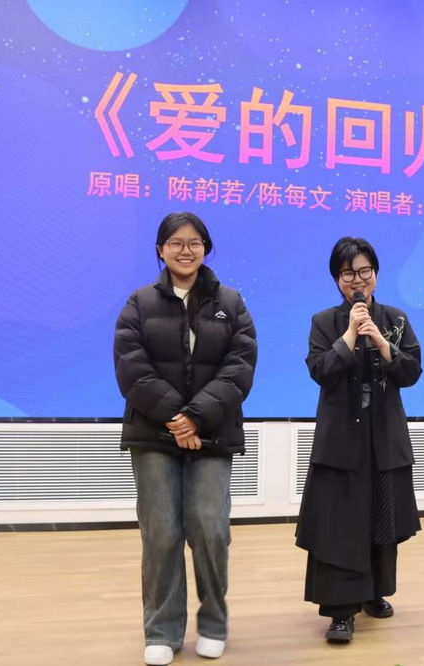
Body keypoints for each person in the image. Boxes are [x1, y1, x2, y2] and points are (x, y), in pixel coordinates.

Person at [114, 212, 257, 666]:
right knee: (161, 532)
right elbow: (131, 368)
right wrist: (177, 418)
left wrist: (196, 418)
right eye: (175, 242)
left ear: (205, 249)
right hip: (153, 434)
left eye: (194, 242)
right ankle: (162, 629)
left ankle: (213, 624)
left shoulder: (231, 302)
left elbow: (240, 367)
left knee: (210, 529)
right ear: (160, 250)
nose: (185, 250)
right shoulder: (139, 302)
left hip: (212, 433)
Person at [295, 236, 423, 644]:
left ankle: (373, 592)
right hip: (340, 440)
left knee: (380, 517)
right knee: (339, 525)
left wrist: (383, 343)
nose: (357, 280)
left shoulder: (395, 319)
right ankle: (340, 611)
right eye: (348, 273)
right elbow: (321, 371)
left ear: (376, 274)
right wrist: (350, 334)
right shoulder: (323, 322)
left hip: (384, 437)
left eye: (364, 271)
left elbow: (411, 372)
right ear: (337, 279)